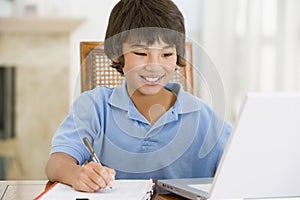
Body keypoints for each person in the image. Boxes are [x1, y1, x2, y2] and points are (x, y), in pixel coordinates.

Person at [45, 0, 232, 193]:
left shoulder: (202, 115)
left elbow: (241, 162)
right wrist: (76, 174)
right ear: (117, 53)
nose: (154, 65)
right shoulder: (94, 106)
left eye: (166, 54)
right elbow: (56, 163)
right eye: (141, 52)